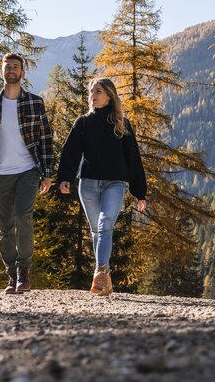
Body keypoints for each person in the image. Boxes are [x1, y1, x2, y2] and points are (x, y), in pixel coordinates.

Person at [57, 77, 147, 296]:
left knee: (105, 224)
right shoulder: (83, 122)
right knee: (97, 230)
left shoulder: (122, 123)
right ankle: (104, 279)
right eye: (91, 91)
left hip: (115, 184)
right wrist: (65, 177)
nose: (93, 95)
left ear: (109, 95)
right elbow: (71, 151)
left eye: (98, 91)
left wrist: (139, 192)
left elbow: (132, 158)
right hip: (87, 185)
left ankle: (100, 271)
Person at [0, 53, 53, 294]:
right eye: (7, 67)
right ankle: (11, 274)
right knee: (4, 227)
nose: (11, 71)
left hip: (28, 170)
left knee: (23, 217)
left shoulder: (35, 103)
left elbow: (45, 140)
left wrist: (47, 173)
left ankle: (24, 273)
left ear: (23, 73)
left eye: (16, 67)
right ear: (2, 72)